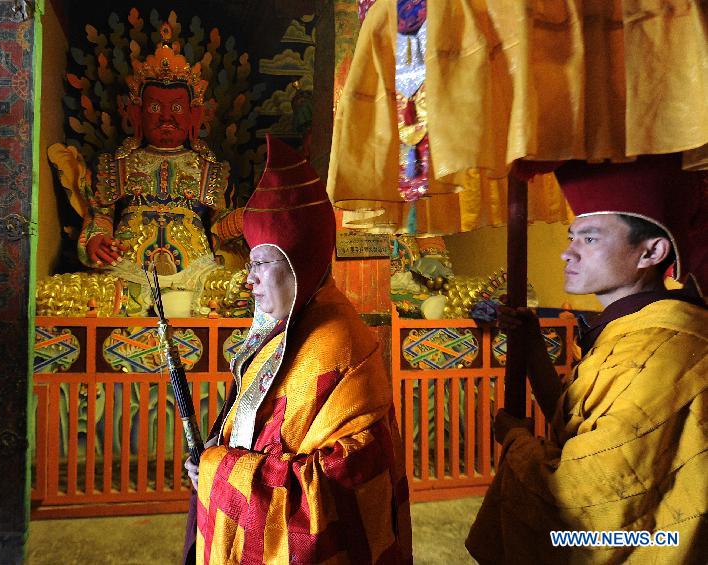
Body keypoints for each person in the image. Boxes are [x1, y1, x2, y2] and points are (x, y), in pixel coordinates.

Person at [466, 154, 707, 563]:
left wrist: (514, 440)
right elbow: (577, 426)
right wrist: (529, 342)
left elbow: (580, 504)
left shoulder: (662, 351)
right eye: (571, 236)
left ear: (651, 252)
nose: (567, 253)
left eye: (590, 239)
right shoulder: (631, 329)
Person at [183, 136, 413, 564]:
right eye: (248, 263)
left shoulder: (342, 348)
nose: (247, 280)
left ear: (298, 265)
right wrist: (214, 457)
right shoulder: (286, 330)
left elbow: (347, 481)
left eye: (259, 264)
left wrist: (218, 471)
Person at [48, 37, 244, 316]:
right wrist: (95, 242)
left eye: (176, 108)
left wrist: (246, 219)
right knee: (55, 295)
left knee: (246, 292)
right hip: (126, 275)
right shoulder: (114, 165)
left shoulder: (211, 168)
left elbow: (219, 226)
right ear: (136, 114)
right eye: (155, 108)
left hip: (198, 276)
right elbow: (98, 219)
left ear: (194, 115)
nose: (166, 117)